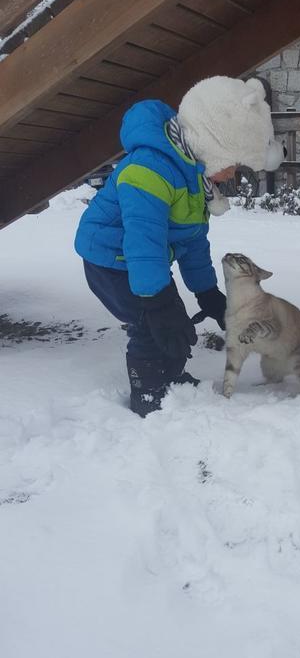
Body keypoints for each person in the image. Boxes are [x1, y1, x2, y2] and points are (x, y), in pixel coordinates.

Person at [74, 75, 284, 417]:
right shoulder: (149, 170)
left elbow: (191, 242)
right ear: (213, 145)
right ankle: (149, 393)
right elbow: (144, 242)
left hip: (141, 260)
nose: (232, 174)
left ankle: (170, 377)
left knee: (175, 323)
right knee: (151, 321)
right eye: (232, 163)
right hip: (109, 259)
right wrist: (156, 303)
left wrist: (208, 295)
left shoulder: (192, 177)